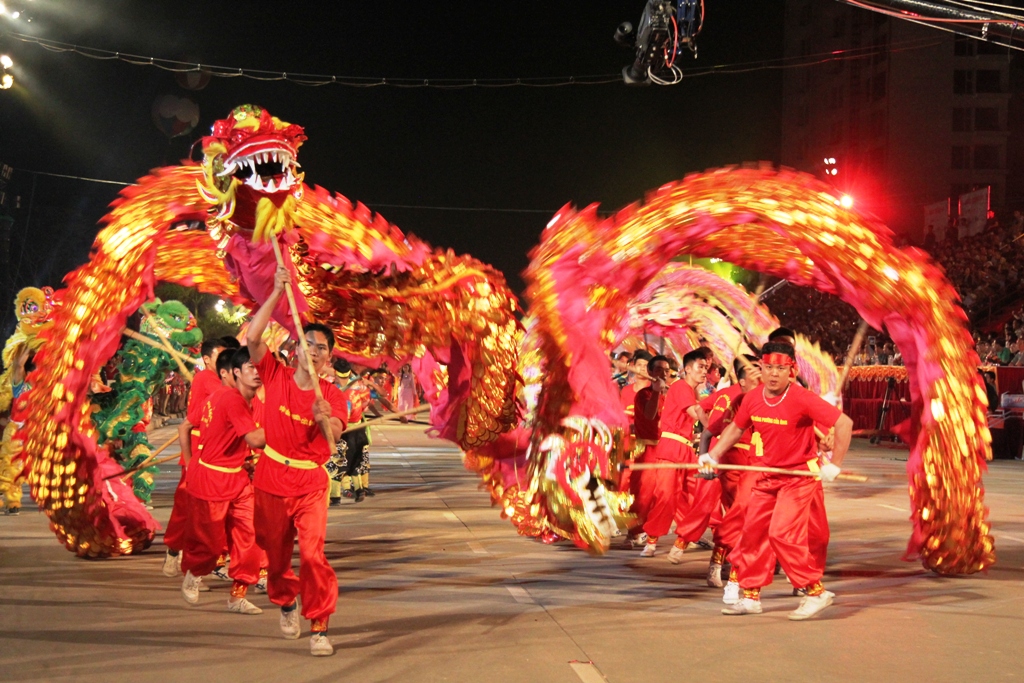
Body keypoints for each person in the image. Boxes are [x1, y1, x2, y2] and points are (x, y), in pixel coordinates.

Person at [702, 342, 853, 621]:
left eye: (780, 369)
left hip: (798, 478)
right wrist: (713, 454)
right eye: (768, 367)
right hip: (766, 475)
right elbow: (736, 428)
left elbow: (844, 423)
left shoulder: (802, 398)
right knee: (752, 535)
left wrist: (835, 464)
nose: (773, 374)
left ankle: (816, 592)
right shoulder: (753, 398)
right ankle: (750, 596)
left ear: (791, 370)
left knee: (781, 534)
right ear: (760, 367)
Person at [247, 265, 348, 657]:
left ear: (328, 357)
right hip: (271, 478)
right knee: (273, 555)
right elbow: (254, 338)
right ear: (296, 349)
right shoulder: (275, 375)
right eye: (306, 343)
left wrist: (325, 418)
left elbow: (335, 436)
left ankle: (319, 624)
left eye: (320, 347)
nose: (312, 350)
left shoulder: (332, 397)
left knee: (311, 554)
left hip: (309, 485)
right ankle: (286, 601)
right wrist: (275, 292)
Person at [180, 348, 266, 616]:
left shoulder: (236, 398)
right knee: (210, 545)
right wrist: (291, 428)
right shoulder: (230, 399)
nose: (257, 372)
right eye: (250, 367)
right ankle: (194, 573)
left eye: (260, 367)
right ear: (235, 372)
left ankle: (237, 596)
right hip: (212, 480)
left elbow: (186, 426)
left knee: (250, 539)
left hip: (238, 479)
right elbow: (254, 439)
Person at [671, 355, 761, 586]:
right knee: (735, 515)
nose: (761, 378)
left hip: (729, 459)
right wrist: (706, 455)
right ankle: (722, 564)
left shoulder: (725, 394)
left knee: (721, 510)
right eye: (756, 373)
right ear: (742, 378)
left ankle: (714, 558)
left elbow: (705, 417)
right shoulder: (746, 399)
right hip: (731, 460)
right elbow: (711, 427)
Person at [163, 338, 228, 577]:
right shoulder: (207, 378)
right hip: (199, 448)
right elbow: (229, 398)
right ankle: (173, 551)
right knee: (187, 505)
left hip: (214, 448)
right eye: (221, 356)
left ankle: (214, 559)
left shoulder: (216, 379)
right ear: (208, 359)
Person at [636, 350, 708, 558]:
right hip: (671, 448)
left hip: (686, 450)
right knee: (666, 496)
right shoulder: (681, 387)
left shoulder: (690, 392)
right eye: (700, 367)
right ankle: (651, 541)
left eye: (706, 368)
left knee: (696, 496)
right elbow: (696, 414)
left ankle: (683, 539)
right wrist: (715, 422)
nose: (704, 371)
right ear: (687, 368)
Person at [623, 354, 671, 548]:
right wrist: (658, 393)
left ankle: (656, 532)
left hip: (666, 449)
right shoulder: (643, 394)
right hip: (646, 448)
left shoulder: (670, 394)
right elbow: (650, 415)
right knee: (642, 493)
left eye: (666, 370)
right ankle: (633, 532)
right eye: (659, 369)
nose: (663, 374)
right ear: (650, 372)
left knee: (664, 494)